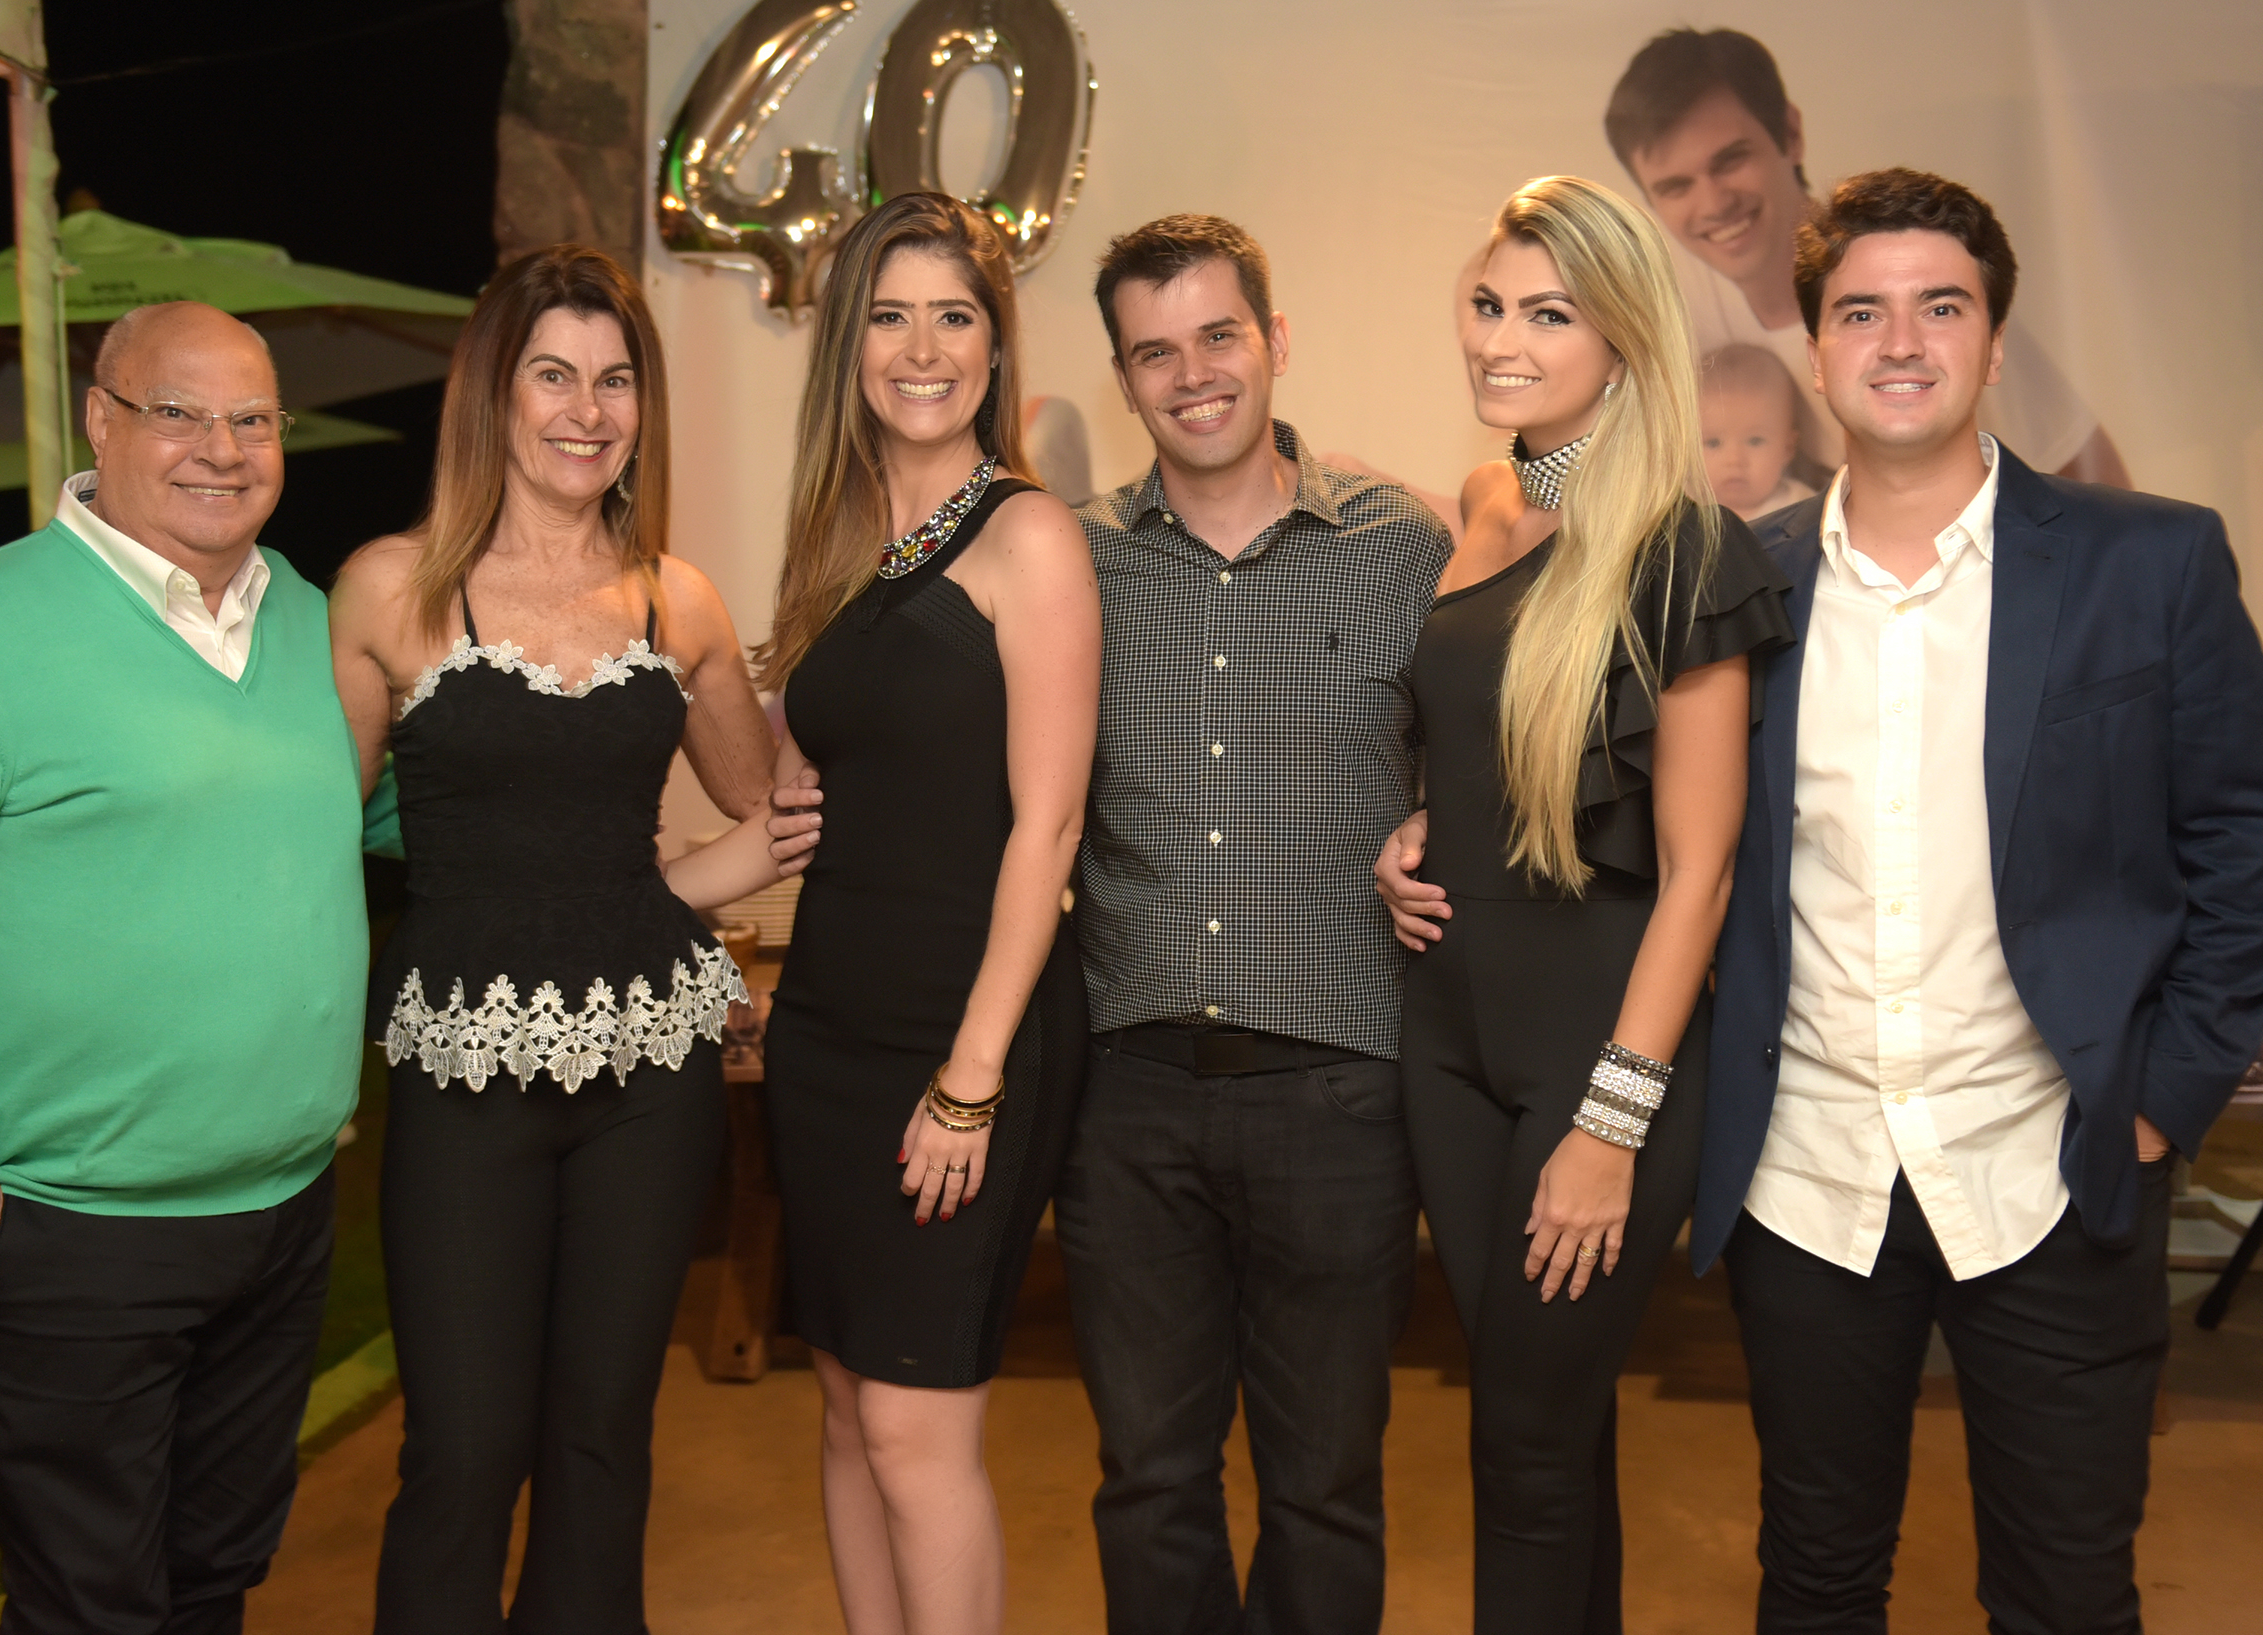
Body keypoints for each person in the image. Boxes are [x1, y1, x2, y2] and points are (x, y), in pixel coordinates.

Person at [1700, 170, 2263, 1632]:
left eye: (1938, 306)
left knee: (2061, 1588)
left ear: (1988, 342)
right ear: (1812, 353)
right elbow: (1634, 821)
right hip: (1806, 1176)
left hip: (2049, 1169)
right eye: (1858, 310)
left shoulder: (2143, 560)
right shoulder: (1734, 582)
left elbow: (2256, 841)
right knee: (1813, 1577)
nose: (1898, 339)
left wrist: (2159, 1095)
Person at [0, 300, 363, 1631]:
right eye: (180, 411)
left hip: (281, 1212)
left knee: (213, 1576)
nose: (222, 448)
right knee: (85, 1601)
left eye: (253, 417)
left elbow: (395, 806)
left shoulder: (308, 616)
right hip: (67, 1228)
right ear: (102, 421)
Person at [328, 245, 815, 1633]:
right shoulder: (391, 589)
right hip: (459, 1078)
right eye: (554, 373)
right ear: (494, 392)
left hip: (650, 1081)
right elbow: (305, 838)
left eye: (615, 380)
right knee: (464, 1446)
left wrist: (696, 885)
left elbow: (767, 798)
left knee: (602, 1443)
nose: (587, 408)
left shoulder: (678, 598)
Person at [1372, 177, 1793, 1631]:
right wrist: (1416, 824)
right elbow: (1480, 734)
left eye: (1545, 315)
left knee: (1522, 1443)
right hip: (1444, 1035)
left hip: (1593, 1055)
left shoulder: (1683, 550)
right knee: (1538, 1414)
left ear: (1619, 340)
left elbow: (1699, 871)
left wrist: (1608, 1122)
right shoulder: (1494, 498)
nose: (1500, 340)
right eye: (1486, 304)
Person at [1061, 214, 1453, 1635]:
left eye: (1218, 335)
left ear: (1273, 343)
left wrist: (1438, 817)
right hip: (1131, 1092)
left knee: (1324, 1482)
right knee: (1148, 1477)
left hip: (1340, 1090)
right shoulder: (1077, 562)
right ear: (1122, 376)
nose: (1192, 374)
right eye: (1152, 351)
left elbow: (1479, 752)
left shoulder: (1401, 543)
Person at [753, 191, 1098, 1635]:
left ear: (994, 344)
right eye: (887, 314)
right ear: (847, 345)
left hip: (963, 1036)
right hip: (825, 1027)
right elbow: (800, 801)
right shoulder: (840, 546)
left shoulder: (1025, 537)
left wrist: (968, 1080)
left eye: (953, 314)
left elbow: (1050, 823)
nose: (920, 345)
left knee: (912, 1423)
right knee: (841, 1404)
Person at [1605, 27, 2132, 488]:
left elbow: (2096, 484)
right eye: (1675, 187)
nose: (1714, 203)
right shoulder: (1680, 321)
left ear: (1790, 134)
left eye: (1731, 160)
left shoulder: (1918, 281)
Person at [1701, 343, 1822, 520]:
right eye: (1713, 443)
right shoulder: (1685, 510)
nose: (1734, 460)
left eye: (1755, 441)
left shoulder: (1802, 508)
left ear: (1787, 448)